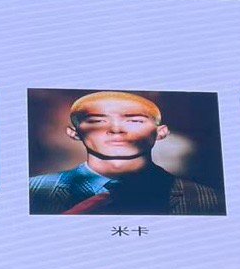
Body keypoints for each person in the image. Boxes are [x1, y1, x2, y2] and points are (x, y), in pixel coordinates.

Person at [29, 91, 223, 215]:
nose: (116, 129)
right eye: (97, 121)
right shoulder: (33, 191)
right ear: (74, 132)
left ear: (161, 132)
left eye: (135, 121)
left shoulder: (208, 198)